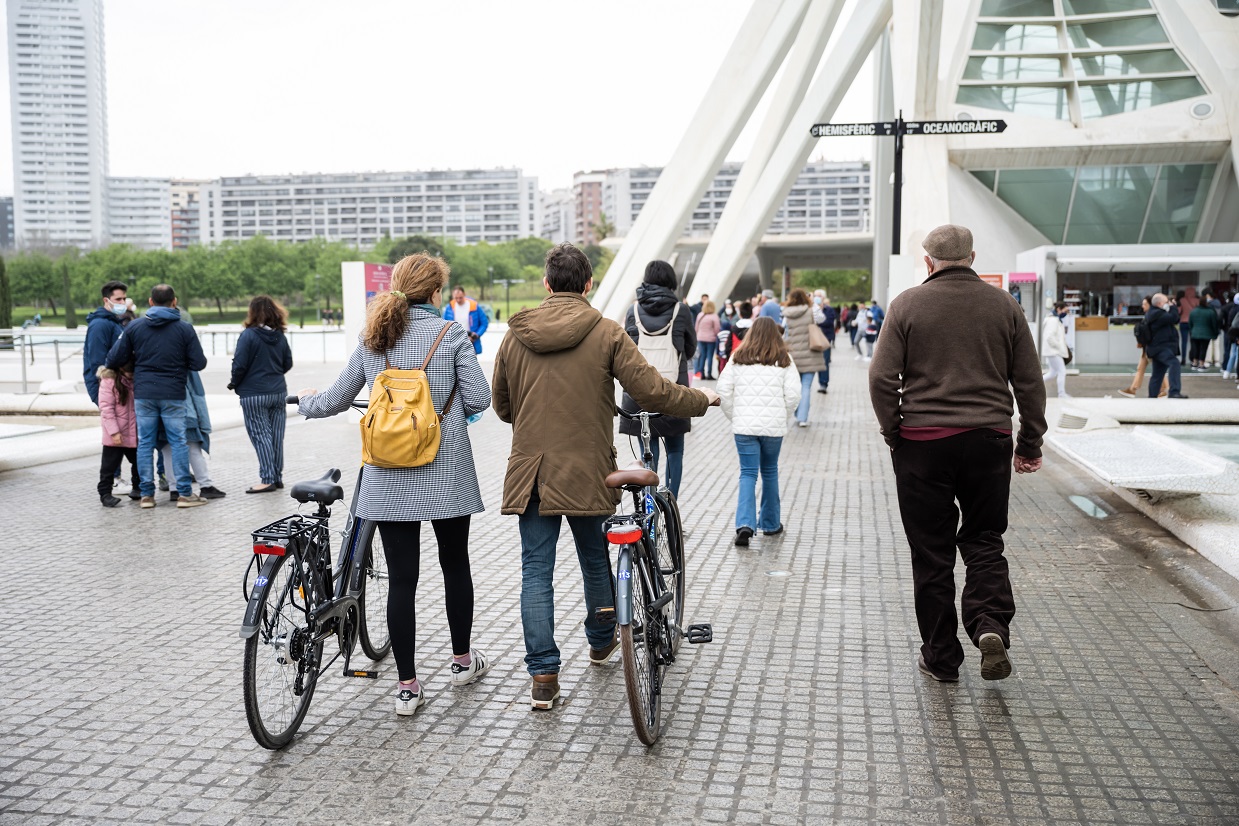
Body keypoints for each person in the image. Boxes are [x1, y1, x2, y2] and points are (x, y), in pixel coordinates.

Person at [491, 243, 717, 711]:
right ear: (588, 284)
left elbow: (503, 407)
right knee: (596, 561)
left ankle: (544, 677)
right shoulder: (606, 332)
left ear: (547, 284)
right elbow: (651, 390)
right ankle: (600, 642)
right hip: (589, 470)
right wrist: (702, 400)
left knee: (535, 570)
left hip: (531, 472)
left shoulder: (515, 337)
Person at [298, 253, 493, 717]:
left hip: (389, 475)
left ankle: (407, 687)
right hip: (447, 472)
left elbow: (334, 399)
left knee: (401, 580)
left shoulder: (374, 338)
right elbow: (481, 399)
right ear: (436, 292)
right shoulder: (451, 334)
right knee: (455, 566)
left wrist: (307, 403)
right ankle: (462, 662)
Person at [868, 224, 1047, 683]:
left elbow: (882, 378)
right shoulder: (1004, 305)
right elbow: (1029, 382)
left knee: (932, 554)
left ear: (929, 262)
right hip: (989, 439)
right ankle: (989, 624)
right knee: (985, 539)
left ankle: (942, 658)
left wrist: (895, 432)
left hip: (923, 444)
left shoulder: (907, 304)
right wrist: (1029, 444)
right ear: (971, 256)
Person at [104, 284, 208, 509]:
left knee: (145, 444)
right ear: (174, 301)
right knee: (178, 442)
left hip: (144, 394)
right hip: (173, 393)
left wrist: (135, 364)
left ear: (151, 302)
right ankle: (184, 494)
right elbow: (199, 363)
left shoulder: (135, 327)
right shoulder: (184, 329)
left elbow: (113, 358)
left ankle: (147, 496)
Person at [715, 317, 800, 546]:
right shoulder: (783, 359)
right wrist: (783, 415)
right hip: (773, 428)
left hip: (744, 427)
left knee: (748, 473)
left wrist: (735, 416)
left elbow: (723, 390)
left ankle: (745, 524)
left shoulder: (738, 358)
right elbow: (793, 395)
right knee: (770, 471)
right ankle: (771, 524)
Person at [620, 260, 698, 499]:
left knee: (648, 449)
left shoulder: (632, 311)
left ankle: (651, 503)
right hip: (674, 389)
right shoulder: (680, 311)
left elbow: (627, 350)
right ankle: (670, 503)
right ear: (671, 281)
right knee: (675, 450)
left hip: (640, 390)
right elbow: (690, 348)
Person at [230, 296, 294, 493]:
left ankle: (267, 479)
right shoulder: (280, 336)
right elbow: (288, 363)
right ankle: (277, 476)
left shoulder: (248, 335)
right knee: (276, 436)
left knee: (261, 435)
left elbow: (239, 364)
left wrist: (234, 382)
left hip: (254, 393)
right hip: (278, 392)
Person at [160, 372, 225, 500]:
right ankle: (205, 486)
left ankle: (174, 489)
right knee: (193, 450)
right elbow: (197, 394)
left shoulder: (150, 361)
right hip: (185, 414)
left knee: (167, 451)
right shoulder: (185, 364)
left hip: (159, 415)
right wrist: (204, 423)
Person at [96, 361, 140, 507]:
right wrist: (114, 432)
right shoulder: (108, 381)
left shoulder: (134, 380)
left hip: (133, 431)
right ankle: (105, 494)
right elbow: (106, 409)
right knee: (108, 467)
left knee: (139, 462)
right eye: (130, 373)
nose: (132, 376)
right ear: (121, 369)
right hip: (115, 433)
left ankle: (137, 488)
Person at [83, 281, 129, 405]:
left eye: (124, 298)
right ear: (106, 300)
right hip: (107, 387)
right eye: (118, 299)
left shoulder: (115, 322)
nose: (122, 302)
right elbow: (97, 361)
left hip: (117, 385)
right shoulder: (100, 325)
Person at [1118, 297, 1169, 398]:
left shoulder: (1153, 316)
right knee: (1141, 368)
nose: (1142, 306)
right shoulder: (1149, 315)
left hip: (1152, 347)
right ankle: (1133, 389)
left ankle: (1165, 389)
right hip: (1147, 347)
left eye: (1144, 304)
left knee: (1157, 369)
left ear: (1150, 304)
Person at [781, 289, 818, 428]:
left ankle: (796, 413)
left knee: (794, 386)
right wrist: (813, 303)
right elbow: (822, 319)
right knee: (806, 387)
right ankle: (803, 418)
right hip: (810, 353)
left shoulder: (786, 313)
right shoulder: (811, 311)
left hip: (793, 354)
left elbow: (784, 333)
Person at [1146, 293, 1188, 398]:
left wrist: (1171, 308)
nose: (1168, 304)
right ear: (1160, 303)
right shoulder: (1157, 314)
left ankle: (1152, 397)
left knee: (1157, 373)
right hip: (1161, 347)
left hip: (1156, 348)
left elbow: (1175, 319)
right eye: (1166, 302)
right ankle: (1174, 391)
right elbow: (1174, 318)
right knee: (1174, 363)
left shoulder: (1155, 313)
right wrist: (1173, 307)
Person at [444, 285, 490, 356]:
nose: (458, 300)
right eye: (456, 298)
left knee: (471, 366)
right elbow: (444, 325)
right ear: (453, 296)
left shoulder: (474, 306)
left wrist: (476, 334)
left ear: (464, 294)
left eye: (460, 298)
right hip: (454, 343)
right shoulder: (449, 308)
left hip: (471, 343)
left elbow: (484, 323)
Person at [1040, 301, 1071, 398]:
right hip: (1053, 351)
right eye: (1065, 310)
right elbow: (1049, 337)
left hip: (1052, 351)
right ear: (1059, 309)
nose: (1066, 313)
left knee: (1052, 373)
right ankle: (1061, 394)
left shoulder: (1055, 319)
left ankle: (1035, 384)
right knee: (1062, 371)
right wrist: (1059, 347)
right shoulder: (1053, 320)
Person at [813, 291, 837, 394]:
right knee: (818, 362)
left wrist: (819, 320)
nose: (817, 298)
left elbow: (829, 322)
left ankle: (824, 383)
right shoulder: (812, 309)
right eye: (816, 296)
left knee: (825, 361)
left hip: (826, 338)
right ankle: (820, 382)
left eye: (819, 296)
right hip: (814, 339)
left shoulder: (829, 310)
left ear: (823, 298)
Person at [1188, 295, 1220, 371]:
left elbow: (1190, 323)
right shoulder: (1210, 312)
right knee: (1203, 349)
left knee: (1195, 348)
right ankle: (1201, 364)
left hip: (1195, 333)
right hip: (1206, 333)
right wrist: (1215, 333)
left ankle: (1195, 363)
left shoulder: (1193, 311)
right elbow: (1214, 323)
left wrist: (1192, 331)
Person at [694, 300, 721, 380]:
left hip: (700, 338)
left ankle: (701, 373)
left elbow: (696, 327)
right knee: (710, 356)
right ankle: (709, 374)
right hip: (710, 339)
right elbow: (717, 329)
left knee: (702, 355)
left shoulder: (700, 315)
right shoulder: (714, 316)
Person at [1177, 288, 1198, 366]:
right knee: (1193, 342)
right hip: (1193, 323)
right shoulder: (1196, 300)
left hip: (1183, 322)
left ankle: (1183, 359)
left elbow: (1179, 311)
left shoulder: (1182, 300)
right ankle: (1193, 359)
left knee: (1184, 342)